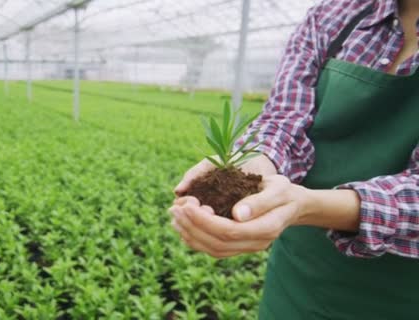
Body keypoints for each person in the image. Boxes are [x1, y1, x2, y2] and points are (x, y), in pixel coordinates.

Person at [170, 0, 419, 319]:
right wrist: (254, 163)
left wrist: (306, 206)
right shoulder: (334, 14)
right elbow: (285, 117)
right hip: (298, 279)